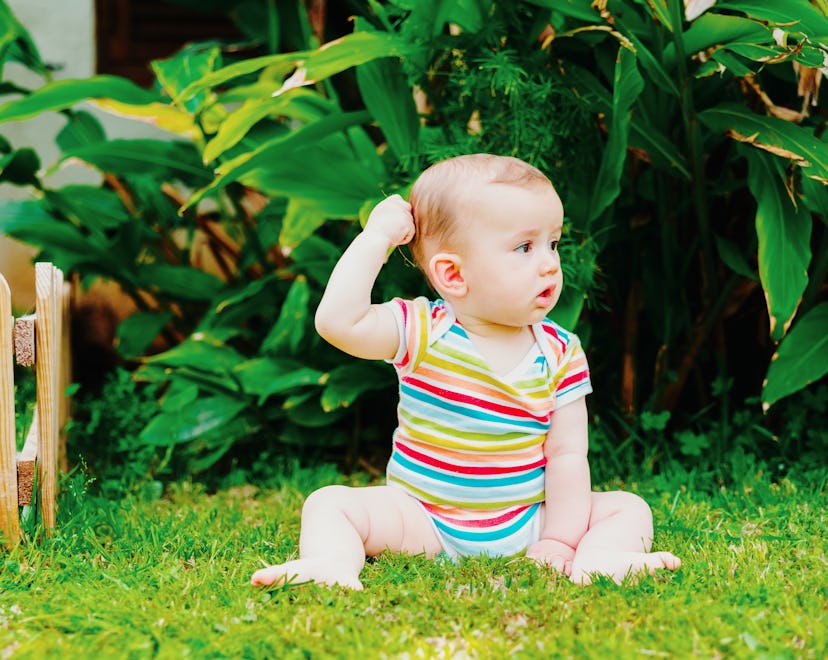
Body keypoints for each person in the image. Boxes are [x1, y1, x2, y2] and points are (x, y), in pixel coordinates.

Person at [251, 154, 681, 590]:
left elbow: (567, 457)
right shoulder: (421, 331)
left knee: (627, 508)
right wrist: (377, 237)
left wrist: (558, 541)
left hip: (526, 520)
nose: (550, 263)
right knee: (329, 503)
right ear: (453, 274)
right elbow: (338, 323)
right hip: (422, 521)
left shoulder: (560, 352)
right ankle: (331, 564)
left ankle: (599, 559)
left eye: (553, 243)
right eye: (524, 247)